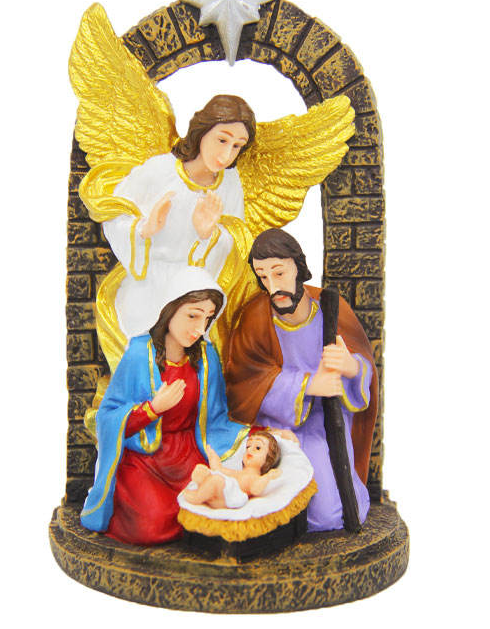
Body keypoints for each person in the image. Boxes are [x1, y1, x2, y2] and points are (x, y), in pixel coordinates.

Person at [80, 268, 249, 545]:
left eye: (207, 318)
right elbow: (108, 418)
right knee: (153, 526)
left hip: (189, 455)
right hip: (146, 458)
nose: (200, 329)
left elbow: (216, 418)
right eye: (193, 315)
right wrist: (152, 409)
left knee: (217, 503)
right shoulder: (139, 353)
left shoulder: (206, 357)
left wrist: (259, 435)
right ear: (169, 309)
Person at [225, 229, 379, 532]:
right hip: (276, 428)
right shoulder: (255, 317)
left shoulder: (331, 311)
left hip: (324, 425)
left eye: (279, 273)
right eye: (263, 276)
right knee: (264, 498)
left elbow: (362, 364)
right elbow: (244, 381)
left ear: (298, 266)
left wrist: (351, 367)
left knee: (327, 515)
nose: (273, 286)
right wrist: (307, 385)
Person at [102, 95, 255, 341]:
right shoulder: (160, 170)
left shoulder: (230, 183)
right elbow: (113, 214)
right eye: (222, 140)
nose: (227, 154)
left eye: (237, 146)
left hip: (196, 293)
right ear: (203, 131)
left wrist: (209, 235)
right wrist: (145, 228)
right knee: (144, 342)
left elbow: (237, 245)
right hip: (149, 284)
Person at [182, 432, 282, 510]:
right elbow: (219, 470)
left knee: (217, 480)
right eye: (248, 446)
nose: (249, 450)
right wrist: (212, 456)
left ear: (268, 459)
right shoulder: (239, 473)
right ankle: (203, 486)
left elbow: (255, 489)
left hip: (227, 500)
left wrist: (268, 476)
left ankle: (197, 497)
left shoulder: (255, 477)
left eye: (258, 448)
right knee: (204, 472)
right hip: (219, 494)